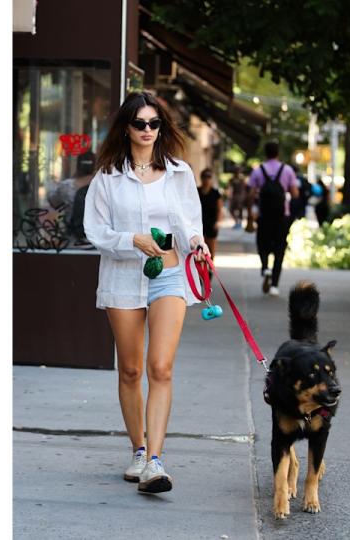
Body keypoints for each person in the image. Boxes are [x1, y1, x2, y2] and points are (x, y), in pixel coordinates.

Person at [83, 91, 210, 494]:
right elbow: (96, 232)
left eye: (154, 123)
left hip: (170, 275)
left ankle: (155, 461)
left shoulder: (179, 172)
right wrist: (132, 240)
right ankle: (137, 449)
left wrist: (198, 243)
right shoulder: (107, 177)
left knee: (161, 368)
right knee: (132, 370)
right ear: (126, 127)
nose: (147, 131)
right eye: (139, 123)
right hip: (123, 278)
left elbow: (192, 222)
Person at [247, 141, 299, 297]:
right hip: (281, 216)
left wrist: (250, 211)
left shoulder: (258, 171)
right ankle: (275, 285)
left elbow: (250, 194)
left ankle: (265, 267)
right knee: (279, 248)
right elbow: (295, 193)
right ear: (278, 153)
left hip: (264, 216)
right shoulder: (287, 170)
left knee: (262, 243)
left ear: (265, 153)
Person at [197, 168, 222, 260]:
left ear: (212, 178)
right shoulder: (197, 191)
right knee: (200, 247)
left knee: (211, 247)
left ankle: (210, 267)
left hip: (211, 223)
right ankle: (201, 268)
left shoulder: (215, 193)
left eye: (209, 177)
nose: (206, 179)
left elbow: (219, 209)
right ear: (201, 178)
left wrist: (218, 222)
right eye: (204, 176)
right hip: (199, 223)